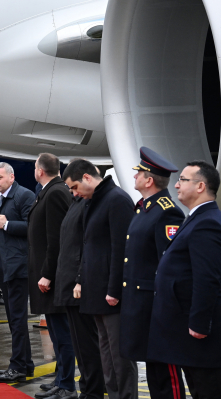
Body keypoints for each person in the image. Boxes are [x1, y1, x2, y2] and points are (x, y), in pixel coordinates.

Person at [148, 161, 221, 399]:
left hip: (202, 333)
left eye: (183, 179)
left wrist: (199, 325)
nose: (177, 184)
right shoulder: (197, 218)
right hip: (190, 330)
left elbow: (207, 279)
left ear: (201, 186)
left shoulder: (208, 223)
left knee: (208, 392)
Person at [64, 159, 137, 399]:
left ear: (86, 178)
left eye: (74, 187)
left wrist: (115, 290)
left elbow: (122, 249)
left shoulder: (116, 199)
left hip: (110, 292)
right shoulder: (92, 201)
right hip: (96, 290)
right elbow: (89, 247)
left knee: (119, 356)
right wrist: (81, 280)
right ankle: (114, 395)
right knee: (106, 353)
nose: (74, 193)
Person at [120, 148, 186, 399]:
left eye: (139, 173)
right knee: (153, 368)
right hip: (141, 304)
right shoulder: (144, 209)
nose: (135, 176)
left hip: (156, 306)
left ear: (149, 180)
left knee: (166, 372)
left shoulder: (166, 211)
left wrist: (166, 308)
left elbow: (169, 264)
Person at [0, 162, 36, 382]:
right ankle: (25, 364)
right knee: (14, 317)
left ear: (11, 178)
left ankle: (18, 366)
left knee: (17, 317)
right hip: (2, 264)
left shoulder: (24, 196)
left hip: (18, 265)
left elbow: (32, 227)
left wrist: (6, 225)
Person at [28, 154, 76, 399]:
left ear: (40, 170)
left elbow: (57, 239)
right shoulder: (49, 190)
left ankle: (67, 384)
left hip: (53, 278)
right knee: (57, 334)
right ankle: (61, 379)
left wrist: (47, 274)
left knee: (63, 334)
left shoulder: (56, 192)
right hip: (47, 276)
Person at [55, 178, 105, 399]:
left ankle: (93, 389)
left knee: (88, 344)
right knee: (81, 344)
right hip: (69, 284)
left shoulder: (88, 205)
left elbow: (88, 246)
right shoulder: (77, 203)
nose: (72, 191)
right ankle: (88, 386)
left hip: (80, 286)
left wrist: (80, 279)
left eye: (74, 187)